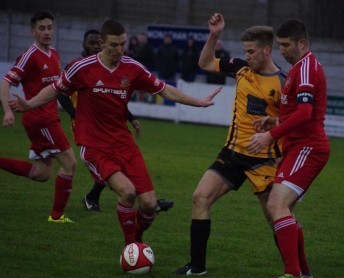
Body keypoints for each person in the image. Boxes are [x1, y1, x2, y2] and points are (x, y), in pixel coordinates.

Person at [9, 19, 221, 247]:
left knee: (149, 204)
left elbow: (164, 89)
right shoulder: (83, 67)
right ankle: (131, 247)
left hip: (124, 144)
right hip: (94, 146)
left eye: (123, 44)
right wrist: (29, 104)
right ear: (101, 43)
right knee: (128, 192)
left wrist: (197, 102)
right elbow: (54, 91)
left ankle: (136, 242)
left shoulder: (132, 68)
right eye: (114, 45)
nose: (120, 50)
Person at [175, 13, 287, 276]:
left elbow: (295, 120)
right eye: (245, 51)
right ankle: (197, 267)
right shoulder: (239, 68)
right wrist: (214, 35)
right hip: (233, 153)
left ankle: (294, 270)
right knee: (200, 197)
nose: (246, 56)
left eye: (251, 51)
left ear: (267, 50)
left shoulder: (284, 81)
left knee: (276, 216)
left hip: (266, 159)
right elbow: (204, 63)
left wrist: (275, 126)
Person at [247, 19, 330, 278]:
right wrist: (274, 122)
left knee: (276, 205)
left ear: (301, 43)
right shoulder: (298, 69)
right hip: (297, 147)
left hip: (308, 147)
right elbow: (297, 111)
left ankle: (293, 275)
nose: (281, 50)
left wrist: (270, 136)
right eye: (280, 45)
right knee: (285, 210)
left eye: (285, 45)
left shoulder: (306, 68)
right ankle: (302, 274)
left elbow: (306, 115)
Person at [57, 29, 146, 212]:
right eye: (90, 42)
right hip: (86, 125)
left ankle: (93, 196)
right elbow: (60, 93)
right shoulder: (77, 66)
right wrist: (74, 113)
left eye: (95, 42)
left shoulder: (109, 67)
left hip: (107, 124)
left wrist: (131, 118)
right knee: (108, 163)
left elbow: (114, 100)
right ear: (84, 44)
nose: (93, 46)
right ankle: (108, 194)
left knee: (114, 163)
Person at [0, 11, 76, 223]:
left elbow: (58, 88)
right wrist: (7, 110)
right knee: (70, 163)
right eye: (41, 28)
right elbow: (5, 83)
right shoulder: (29, 56)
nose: (47, 32)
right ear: (33, 31)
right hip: (40, 119)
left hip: (49, 117)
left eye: (50, 27)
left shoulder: (54, 54)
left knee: (42, 173)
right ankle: (57, 216)